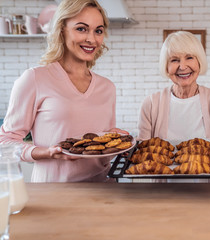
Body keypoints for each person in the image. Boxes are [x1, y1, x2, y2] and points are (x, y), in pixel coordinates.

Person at [0, 0, 127, 182]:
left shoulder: (107, 87)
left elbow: (100, 146)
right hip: (54, 194)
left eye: (98, 31)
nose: (91, 39)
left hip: (104, 191)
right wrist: (47, 153)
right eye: (81, 29)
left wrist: (119, 144)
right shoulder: (34, 79)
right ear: (61, 29)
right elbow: (5, 141)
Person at [137, 31, 210, 182]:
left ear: (199, 62)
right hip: (162, 194)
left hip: (208, 194)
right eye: (174, 60)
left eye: (189, 57)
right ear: (166, 66)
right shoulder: (151, 104)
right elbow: (141, 154)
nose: (182, 66)